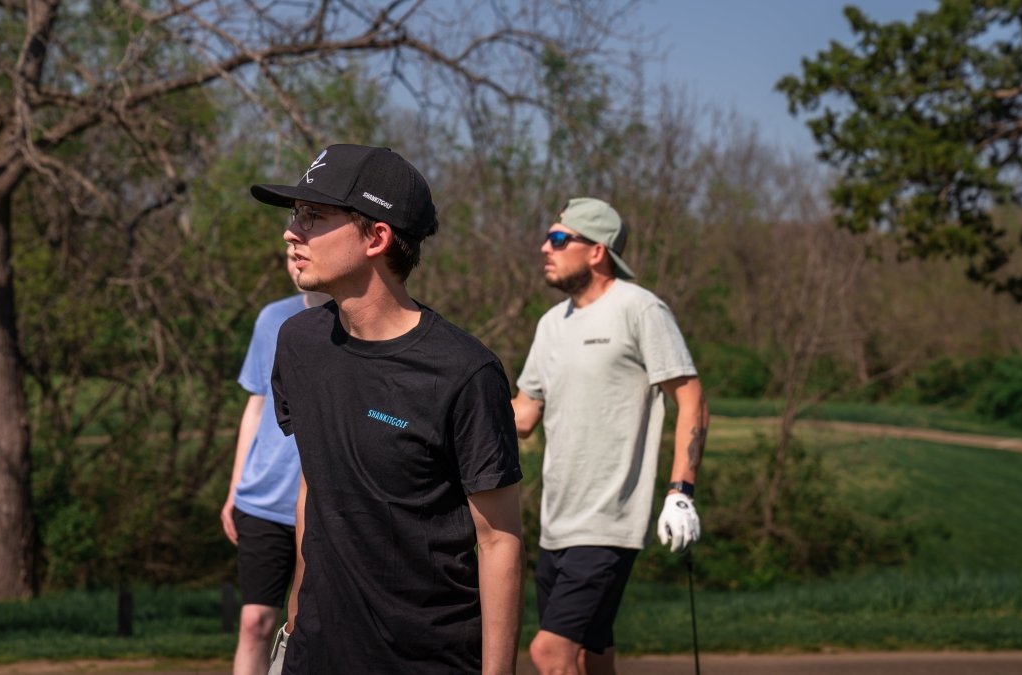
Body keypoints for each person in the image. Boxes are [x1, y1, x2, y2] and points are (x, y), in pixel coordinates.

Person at [249, 144, 525, 675]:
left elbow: (498, 540)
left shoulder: (465, 372)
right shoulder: (299, 343)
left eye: (314, 216)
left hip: (427, 659)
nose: (292, 232)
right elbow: (315, 484)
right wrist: (294, 625)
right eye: (295, 214)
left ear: (376, 237)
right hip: (314, 652)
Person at [512, 197, 708, 675]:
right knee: (592, 655)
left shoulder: (639, 308)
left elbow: (692, 398)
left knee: (549, 653)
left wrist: (681, 492)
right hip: (556, 523)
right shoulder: (550, 324)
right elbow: (522, 414)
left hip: (608, 521)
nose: (545, 247)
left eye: (558, 239)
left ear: (596, 251)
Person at [221, 247, 329, 675]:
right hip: (262, 500)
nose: (293, 260)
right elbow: (256, 406)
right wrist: (235, 490)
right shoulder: (271, 319)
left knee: (308, 627)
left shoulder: (358, 323)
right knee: (254, 622)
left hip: (322, 503)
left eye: (300, 252)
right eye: (287, 255)